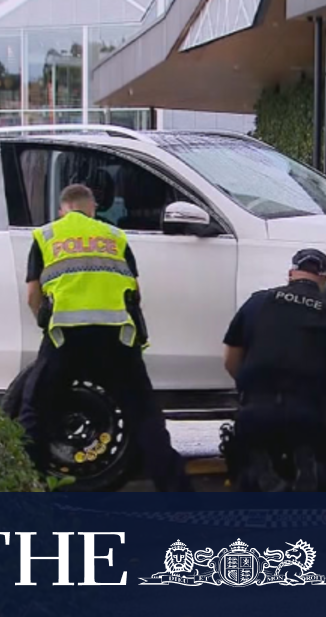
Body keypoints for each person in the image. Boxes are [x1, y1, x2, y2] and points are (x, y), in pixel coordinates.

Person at [17, 183, 190, 491]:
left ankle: (27, 488)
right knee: (144, 414)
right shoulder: (114, 236)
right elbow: (135, 292)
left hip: (66, 338)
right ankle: (177, 493)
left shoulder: (46, 236)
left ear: (63, 209)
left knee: (34, 408)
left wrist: (45, 324)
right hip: (116, 338)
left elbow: (33, 293)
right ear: (92, 208)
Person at [222, 249, 326, 492]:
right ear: (324, 279)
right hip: (309, 416)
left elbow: (231, 360)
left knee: (251, 474)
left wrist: (252, 391)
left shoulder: (256, 303)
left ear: (290, 274)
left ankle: (264, 479)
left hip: (256, 415)